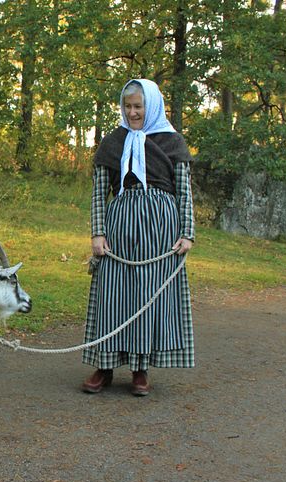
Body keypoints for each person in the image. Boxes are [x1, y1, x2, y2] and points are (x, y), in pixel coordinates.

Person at [81, 79, 195, 396]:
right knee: (112, 293)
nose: (133, 113)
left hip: (160, 228)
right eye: (128, 106)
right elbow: (99, 192)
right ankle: (103, 366)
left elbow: (184, 191)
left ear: (152, 106)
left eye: (138, 107)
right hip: (119, 224)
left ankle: (139, 369)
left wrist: (187, 233)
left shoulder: (172, 142)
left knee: (146, 294)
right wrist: (98, 233)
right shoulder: (112, 142)